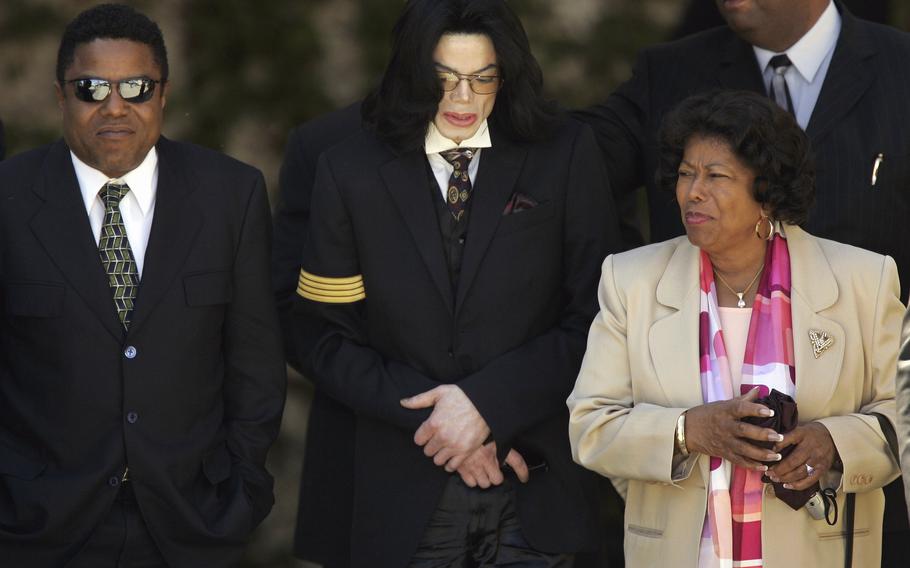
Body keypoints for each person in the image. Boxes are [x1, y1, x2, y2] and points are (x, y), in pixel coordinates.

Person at [290, 0, 622, 564]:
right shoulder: (348, 169)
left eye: (482, 78)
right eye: (444, 79)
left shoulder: (564, 154)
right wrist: (448, 423)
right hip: (397, 488)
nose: (463, 99)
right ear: (412, 76)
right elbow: (323, 335)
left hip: (533, 477)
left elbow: (600, 316)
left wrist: (492, 406)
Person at [576, 3, 910, 553]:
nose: (693, 192)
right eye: (685, 175)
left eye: (716, 176)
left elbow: (897, 407)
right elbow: (591, 426)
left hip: (815, 547)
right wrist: (687, 431)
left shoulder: (866, 280)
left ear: (765, 192)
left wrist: (834, 442)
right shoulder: (631, 281)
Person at [0, 5, 286, 567]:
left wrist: (243, 487)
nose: (114, 106)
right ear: (61, 96)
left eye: (135, 86)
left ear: (162, 95)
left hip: (192, 523)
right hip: (37, 527)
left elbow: (255, 362)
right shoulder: (8, 199)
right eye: (91, 88)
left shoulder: (231, 195)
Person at [272, 102, 362, 568]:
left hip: (518, 464)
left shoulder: (548, 142)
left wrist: (490, 405)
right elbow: (294, 309)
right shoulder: (328, 142)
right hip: (362, 460)